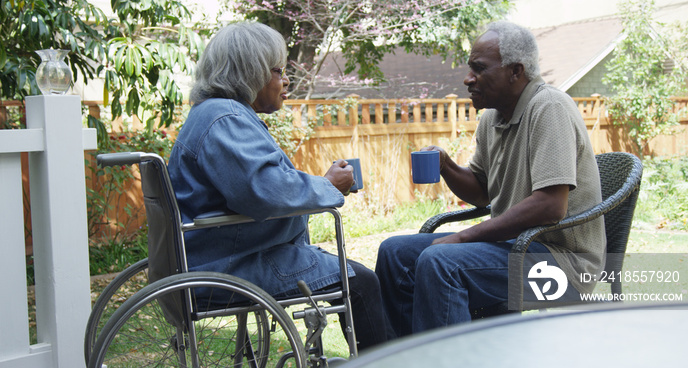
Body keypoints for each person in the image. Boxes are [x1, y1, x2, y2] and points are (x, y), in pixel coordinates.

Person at [375, 21, 606, 337]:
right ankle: (408, 357)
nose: (468, 79)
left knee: (442, 262)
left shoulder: (548, 107)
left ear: (515, 71)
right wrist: (446, 165)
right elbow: (483, 193)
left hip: (563, 264)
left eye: (479, 69)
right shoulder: (492, 117)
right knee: (395, 254)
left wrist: (463, 237)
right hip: (513, 246)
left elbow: (551, 205)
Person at [168, 22, 388, 350]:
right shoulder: (225, 119)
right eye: (279, 70)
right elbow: (265, 192)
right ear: (249, 71)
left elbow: (260, 184)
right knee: (362, 283)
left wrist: (320, 184)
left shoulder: (219, 114)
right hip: (227, 265)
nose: (286, 81)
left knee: (358, 275)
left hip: (220, 255)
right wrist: (328, 186)